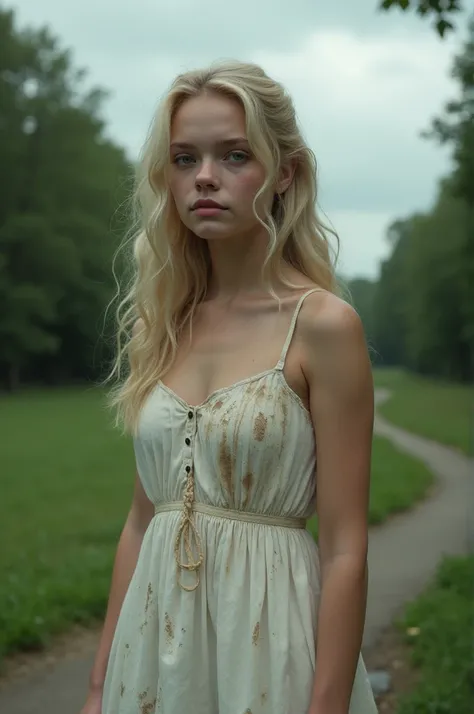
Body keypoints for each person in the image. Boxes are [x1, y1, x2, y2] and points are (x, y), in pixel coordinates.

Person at [80, 60, 378, 714]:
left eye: (235, 155)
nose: (205, 178)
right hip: (152, 654)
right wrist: (101, 686)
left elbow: (346, 548)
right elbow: (140, 522)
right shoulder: (159, 325)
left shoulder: (322, 327)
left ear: (285, 173)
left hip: (270, 650)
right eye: (184, 159)